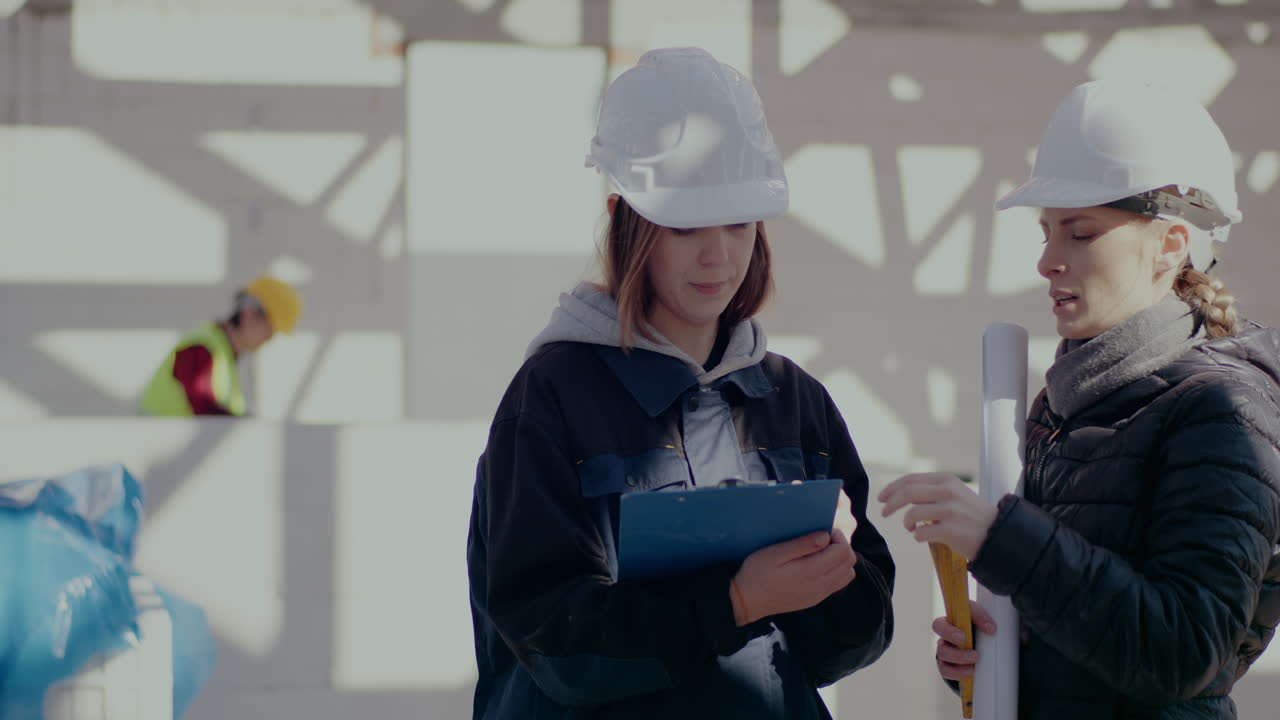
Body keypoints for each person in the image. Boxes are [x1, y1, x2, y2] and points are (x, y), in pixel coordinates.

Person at [466, 47, 894, 719]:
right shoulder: (552, 398)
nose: (719, 253)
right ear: (626, 219)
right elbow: (553, 640)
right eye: (688, 224)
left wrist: (834, 575)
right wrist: (736, 603)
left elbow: (848, 646)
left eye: (739, 222)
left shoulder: (795, 402)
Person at [879, 79, 1280, 719]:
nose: (1047, 262)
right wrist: (993, 657)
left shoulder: (1224, 411)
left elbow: (1183, 653)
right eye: (1047, 232)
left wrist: (1001, 538)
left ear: (1169, 246)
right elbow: (1082, 627)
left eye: (1081, 234)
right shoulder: (1062, 406)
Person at [138, 275, 302, 416]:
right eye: (270, 330)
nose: (269, 339)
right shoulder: (201, 347)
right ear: (249, 314)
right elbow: (206, 413)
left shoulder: (223, 355)